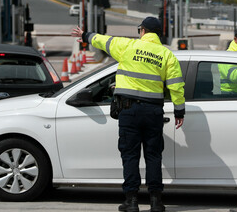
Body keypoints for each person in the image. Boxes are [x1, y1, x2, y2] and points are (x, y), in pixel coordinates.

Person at [71, 17, 185, 212]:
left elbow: (103, 41)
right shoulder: (167, 55)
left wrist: (84, 35)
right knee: (153, 156)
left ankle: (131, 202)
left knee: (130, 155)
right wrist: (179, 111)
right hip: (153, 112)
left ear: (142, 31)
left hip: (129, 111)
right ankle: (156, 202)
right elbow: (176, 86)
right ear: (158, 34)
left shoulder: (128, 46)